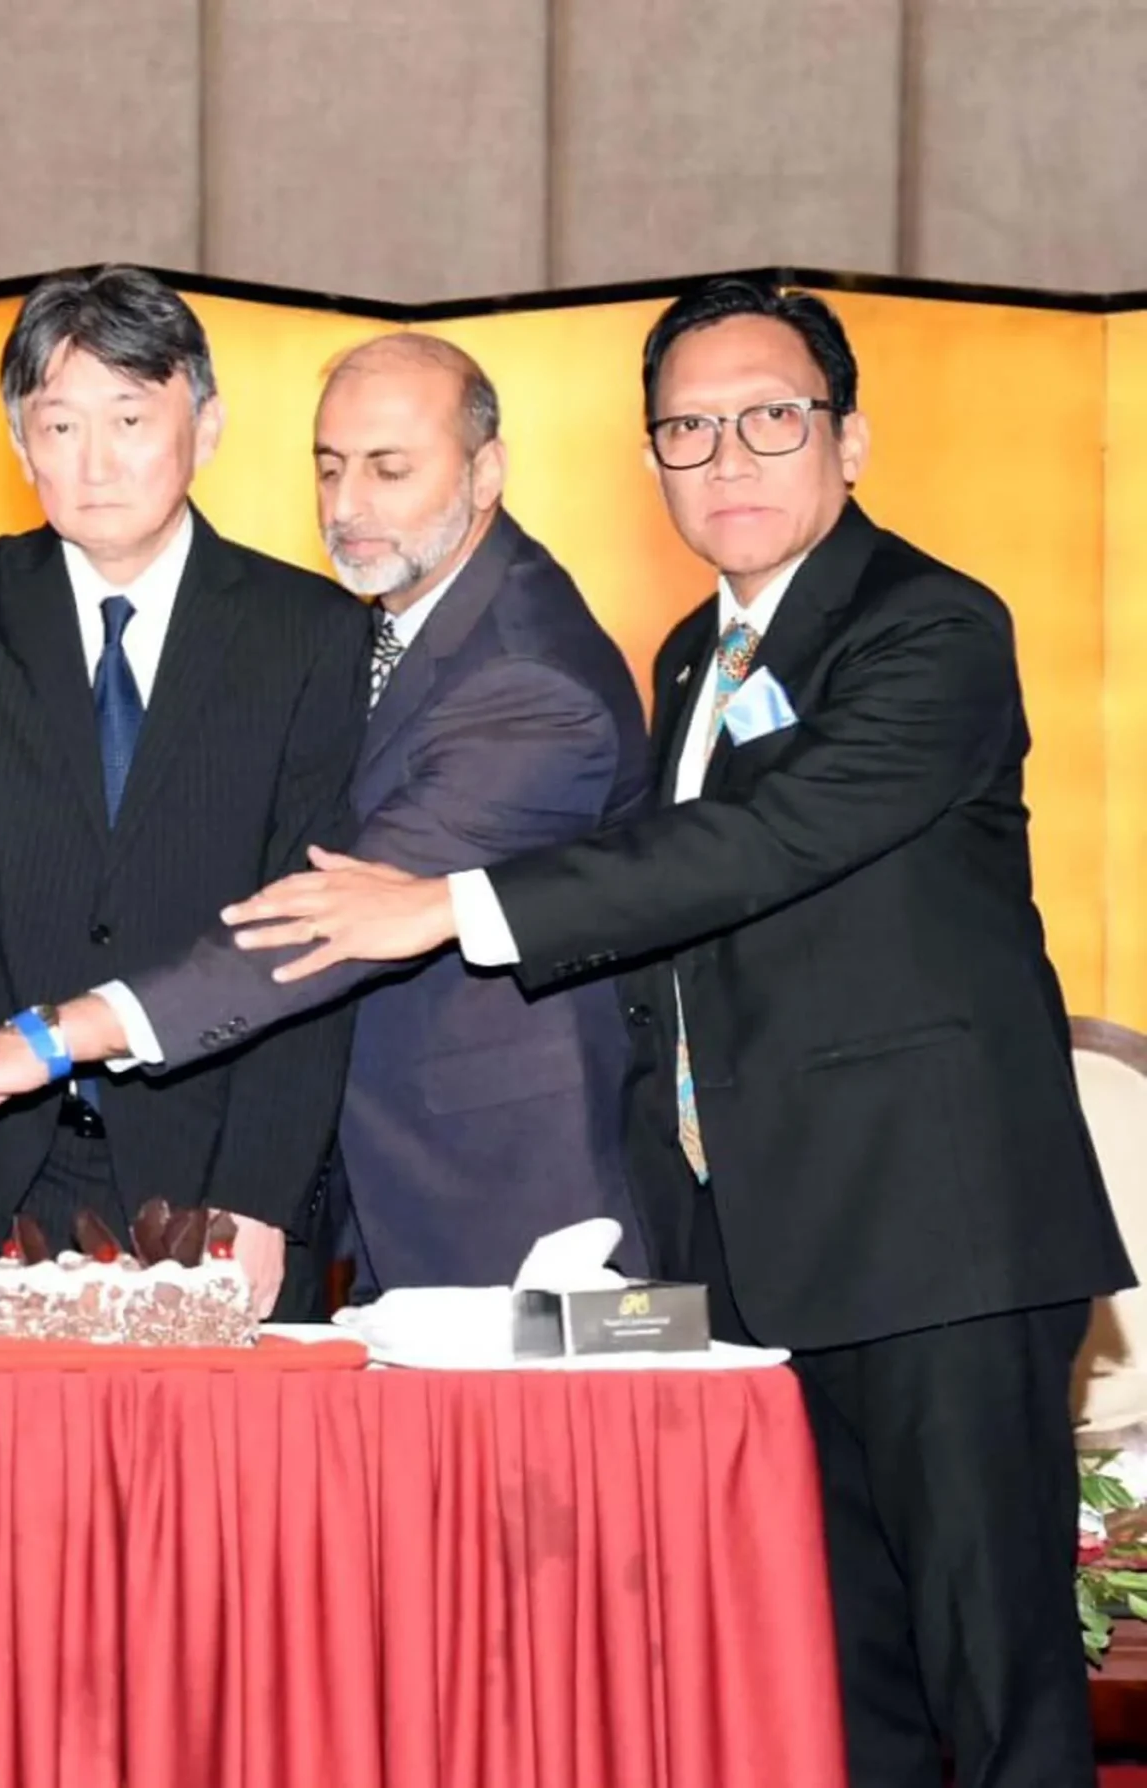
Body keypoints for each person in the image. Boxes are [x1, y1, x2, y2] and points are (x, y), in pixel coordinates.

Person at [227, 277, 1131, 1787]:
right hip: (768, 1247)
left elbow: (760, 846)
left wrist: (450, 904)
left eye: (770, 419)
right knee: (845, 1694)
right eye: (688, 430)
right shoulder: (689, 659)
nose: (728, 459)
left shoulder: (931, 626)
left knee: (998, 1692)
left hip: (938, 1244)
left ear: (849, 439)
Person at [0, 332, 650, 1293]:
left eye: (391, 469)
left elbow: (314, 926)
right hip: (301, 1176)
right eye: (330, 467)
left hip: (487, 1186)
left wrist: (43, 1041)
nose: (348, 506)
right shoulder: (393, 619)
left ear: (487, 472)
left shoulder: (526, 679)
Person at [0, 265, 370, 1317]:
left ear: (206, 426)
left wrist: (260, 1192)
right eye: (59, 426)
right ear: (21, 446)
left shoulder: (310, 631)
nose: (94, 463)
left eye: (130, 419)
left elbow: (310, 925)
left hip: (210, 1162)